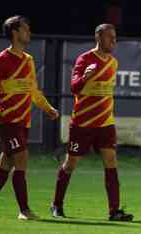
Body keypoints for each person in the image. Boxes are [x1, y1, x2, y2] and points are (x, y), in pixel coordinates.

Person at [50, 24, 133, 221]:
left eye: (115, 37)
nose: (114, 41)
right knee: (70, 164)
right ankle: (56, 205)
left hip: (105, 123)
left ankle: (114, 211)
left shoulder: (113, 62)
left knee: (111, 162)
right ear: (98, 37)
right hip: (83, 123)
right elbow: (74, 88)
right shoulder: (85, 59)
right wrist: (86, 76)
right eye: (109, 37)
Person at [0, 15, 59, 220]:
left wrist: (47, 108)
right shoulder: (2, 60)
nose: (29, 32)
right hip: (7, 121)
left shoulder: (28, 60)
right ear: (15, 32)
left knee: (6, 163)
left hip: (23, 121)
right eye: (25, 29)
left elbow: (33, 91)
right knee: (21, 159)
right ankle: (24, 210)